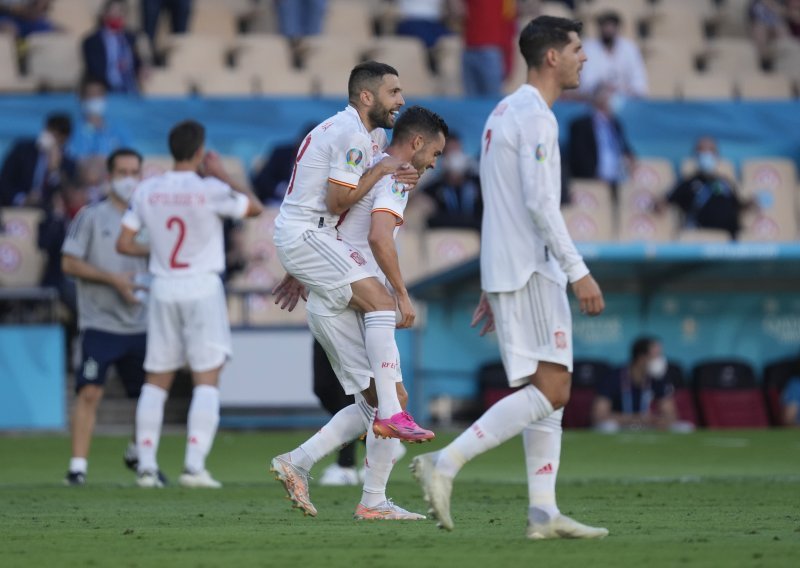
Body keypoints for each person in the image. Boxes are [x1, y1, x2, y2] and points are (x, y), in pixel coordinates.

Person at [411, 16, 609, 540]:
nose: (583, 58)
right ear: (551, 57)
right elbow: (540, 204)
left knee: (543, 388)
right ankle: (445, 464)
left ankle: (543, 512)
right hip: (533, 269)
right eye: (576, 49)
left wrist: (489, 275)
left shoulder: (503, 113)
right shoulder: (537, 118)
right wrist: (579, 271)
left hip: (511, 267)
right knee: (556, 388)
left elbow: (495, 203)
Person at [271, 105, 447, 519]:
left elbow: (333, 217)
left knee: (384, 399)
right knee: (387, 403)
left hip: (338, 289)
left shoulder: (379, 164)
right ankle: (371, 493)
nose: (435, 163)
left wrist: (301, 270)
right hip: (343, 297)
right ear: (417, 143)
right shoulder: (395, 176)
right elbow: (380, 236)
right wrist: (402, 294)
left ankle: (313, 468)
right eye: (435, 153)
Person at [271, 61, 432, 443]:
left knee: (378, 393)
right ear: (366, 96)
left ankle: (364, 489)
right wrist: (382, 172)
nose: (401, 100)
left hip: (315, 241)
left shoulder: (360, 134)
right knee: (381, 300)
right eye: (393, 92)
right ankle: (391, 417)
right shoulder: (351, 135)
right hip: (309, 235)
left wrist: (393, 169)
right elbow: (337, 201)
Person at [116, 120, 263, 488]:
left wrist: (158, 252)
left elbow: (123, 242)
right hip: (201, 286)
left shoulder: (148, 189)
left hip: (163, 285)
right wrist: (223, 175)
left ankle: (147, 467)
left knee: (156, 379)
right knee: (207, 379)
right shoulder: (209, 188)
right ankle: (194, 467)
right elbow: (255, 208)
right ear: (200, 152)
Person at [61, 148, 150, 486]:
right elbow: (68, 263)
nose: (129, 178)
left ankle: (139, 453)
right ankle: (78, 467)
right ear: (110, 176)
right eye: (123, 171)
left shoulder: (148, 216)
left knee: (149, 396)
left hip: (142, 322)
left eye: (134, 171)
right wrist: (114, 280)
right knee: (89, 392)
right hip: (100, 323)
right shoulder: (90, 216)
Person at [591, 337, 693, 433]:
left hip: (648, 425)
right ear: (641, 358)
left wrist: (658, 420)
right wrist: (635, 418)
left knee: (685, 427)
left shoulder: (658, 378)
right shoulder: (614, 377)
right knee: (608, 427)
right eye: (656, 356)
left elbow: (671, 415)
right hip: (620, 425)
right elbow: (599, 415)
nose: (660, 360)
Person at [660, 136, 752, 240]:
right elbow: (665, 202)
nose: (706, 155)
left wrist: (751, 203)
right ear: (695, 155)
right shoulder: (687, 183)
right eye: (702, 151)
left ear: (716, 155)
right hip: (701, 236)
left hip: (729, 238)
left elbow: (738, 205)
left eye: (710, 151)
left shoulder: (725, 183)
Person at [567, 82, 635, 196]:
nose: (616, 99)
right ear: (600, 98)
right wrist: (594, 178)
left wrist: (631, 159)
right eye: (612, 94)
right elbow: (579, 157)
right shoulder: (581, 125)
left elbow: (625, 148)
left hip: (617, 182)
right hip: (592, 184)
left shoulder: (616, 124)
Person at [0, 112, 75, 208]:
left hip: (47, 212)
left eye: (56, 136)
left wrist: (54, 170)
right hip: (16, 208)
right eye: (49, 132)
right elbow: (5, 181)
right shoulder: (22, 151)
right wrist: (22, 199)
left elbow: (66, 194)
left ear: (63, 139)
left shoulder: (68, 163)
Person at [578, 11, 647, 98]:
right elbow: (587, 83)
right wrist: (604, 88)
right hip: (596, 99)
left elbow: (639, 81)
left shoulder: (630, 48)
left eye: (611, 25)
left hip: (626, 99)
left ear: (617, 28)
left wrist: (622, 89)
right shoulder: (589, 48)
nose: (608, 29)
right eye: (605, 25)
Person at [421, 133, 482, 229]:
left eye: (457, 151)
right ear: (443, 157)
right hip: (445, 239)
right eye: (451, 151)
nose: (455, 156)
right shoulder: (433, 189)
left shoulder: (478, 185)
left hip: (475, 237)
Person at [457, 0, 517, 97]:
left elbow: (509, 25)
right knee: (470, 104)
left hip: (490, 52)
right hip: (470, 49)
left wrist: (508, 62)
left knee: (491, 104)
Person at [82, 0, 143, 94]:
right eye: (113, 11)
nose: (117, 15)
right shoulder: (92, 41)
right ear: (104, 14)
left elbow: (138, 62)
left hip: (130, 90)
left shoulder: (132, 38)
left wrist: (142, 68)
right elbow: (94, 69)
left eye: (121, 11)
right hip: (105, 91)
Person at [251, 122, 319, 204]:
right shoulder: (281, 153)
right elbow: (261, 180)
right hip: (274, 203)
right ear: (300, 140)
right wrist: (281, 189)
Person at [68, 76, 132, 162]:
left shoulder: (119, 128)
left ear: (105, 97)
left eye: (98, 94)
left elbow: (128, 156)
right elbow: (72, 157)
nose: (94, 98)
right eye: (90, 95)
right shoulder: (72, 129)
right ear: (81, 98)